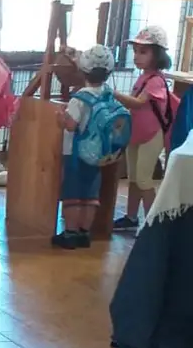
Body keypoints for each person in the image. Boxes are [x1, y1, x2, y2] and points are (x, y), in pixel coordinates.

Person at [54, 45, 116, 250]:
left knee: (72, 194)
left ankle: (70, 234)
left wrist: (61, 118)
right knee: (90, 195)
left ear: (82, 71)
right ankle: (84, 233)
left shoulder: (79, 98)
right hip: (98, 153)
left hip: (75, 154)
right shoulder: (108, 94)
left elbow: (71, 126)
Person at [113, 25, 175, 231]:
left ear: (157, 54)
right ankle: (131, 218)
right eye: (135, 51)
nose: (137, 56)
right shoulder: (143, 77)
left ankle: (152, 225)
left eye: (143, 52)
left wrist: (115, 94)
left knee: (144, 179)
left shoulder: (156, 80)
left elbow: (138, 103)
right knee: (133, 179)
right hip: (136, 134)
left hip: (151, 135)